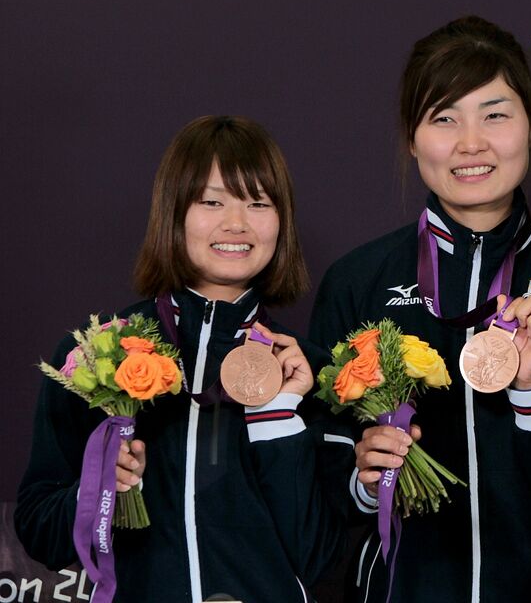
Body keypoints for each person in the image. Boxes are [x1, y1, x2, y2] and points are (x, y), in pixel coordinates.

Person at [309, 15, 531, 602]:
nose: (471, 143)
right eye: (444, 118)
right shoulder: (358, 281)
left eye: (495, 114)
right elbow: (319, 472)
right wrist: (365, 482)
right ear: (412, 138)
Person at [16, 116, 349, 602]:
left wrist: (278, 417)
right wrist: (99, 490)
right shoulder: (97, 356)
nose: (236, 223)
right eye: (212, 201)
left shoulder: (309, 373)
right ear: (173, 212)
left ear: (282, 222)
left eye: (259, 203)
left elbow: (321, 560)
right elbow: (39, 533)